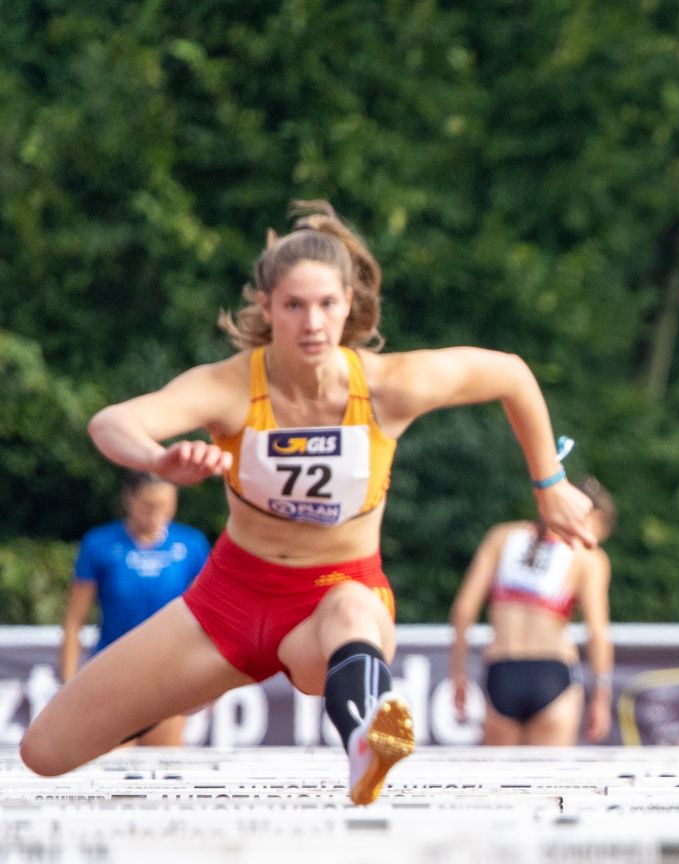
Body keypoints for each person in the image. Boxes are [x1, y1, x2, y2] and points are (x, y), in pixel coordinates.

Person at [20, 200, 596, 802]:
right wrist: (157, 459)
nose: (313, 323)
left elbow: (509, 374)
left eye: (326, 304)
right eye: (294, 305)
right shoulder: (232, 387)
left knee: (352, 614)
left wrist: (550, 483)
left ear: (350, 304)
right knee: (44, 752)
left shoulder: (387, 388)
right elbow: (111, 422)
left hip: (335, 601)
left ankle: (369, 739)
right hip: (229, 605)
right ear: (267, 308)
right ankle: (162, 698)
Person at [448, 480, 617, 746]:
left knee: (498, 785)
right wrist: (602, 696)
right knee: (550, 784)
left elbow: (463, 610)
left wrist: (457, 671)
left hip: (501, 671)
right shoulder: (588, 557)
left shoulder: (501, 537)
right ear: (594, 517)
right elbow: (597, 633)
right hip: (553, 672)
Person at [58, 472, 211, 747]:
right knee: (112, 771)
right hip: (112, 671)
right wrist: (68, 684)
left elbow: (206, 619)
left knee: (164, 772)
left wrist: (207, 678)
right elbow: (74, 621)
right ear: (128, 498)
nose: (156, 515)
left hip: (168, 673)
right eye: (148, 506)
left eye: (164, 506)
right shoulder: (100, 544)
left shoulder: (192, 545)